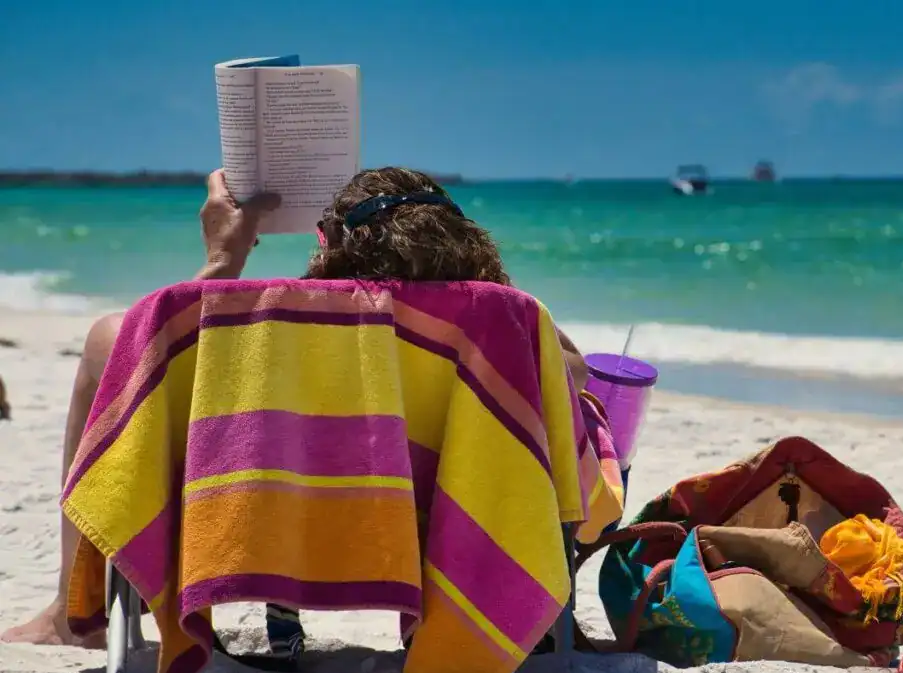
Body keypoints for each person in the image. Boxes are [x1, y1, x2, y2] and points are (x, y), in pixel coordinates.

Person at [1, 166, 590, 646]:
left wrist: (222, 260)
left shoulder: (275, 321)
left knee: (111, 338)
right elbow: (576, 377)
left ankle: (67, 614)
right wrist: (497, 300)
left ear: (328, 243)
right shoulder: (509, 320)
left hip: (253, 514)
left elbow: (147, 348)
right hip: (445, 516)